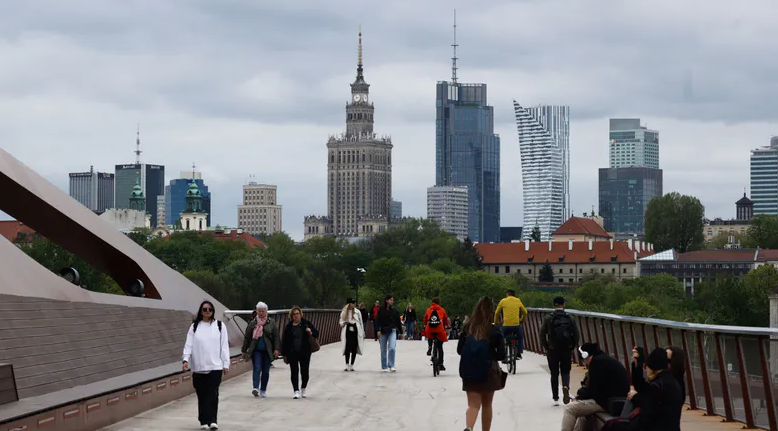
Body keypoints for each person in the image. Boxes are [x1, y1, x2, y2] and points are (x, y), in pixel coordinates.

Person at [457, 297, 506, 431]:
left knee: (473, 405)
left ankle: (469, 427)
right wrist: (490, 356)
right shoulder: (494, 330)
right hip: (488, 372)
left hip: (469, 370)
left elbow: (459, 350)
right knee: (487, 404)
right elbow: (502, 355)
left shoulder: (468, 327)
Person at [605, 348, 684, 431]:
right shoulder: (669, 381)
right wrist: (637, 366)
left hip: (655, 427)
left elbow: (646, 417)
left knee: (612, 425)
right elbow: (643, 389)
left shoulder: (658, 385)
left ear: (651, 367)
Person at [182, 301, 230, 430]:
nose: (207, 311)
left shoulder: (220, 326)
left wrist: (226, 364)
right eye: (205, 309)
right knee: (202, 395)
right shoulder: (194, 327)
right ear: (201, 311)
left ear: (213, 310)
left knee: (213, 394)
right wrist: (185, 359)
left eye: (210, 309)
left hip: (215, 366)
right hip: (198, 367)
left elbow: (224, 346)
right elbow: (189, 345)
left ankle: (213, 420)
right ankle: (203, 420)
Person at [560, 342, 630, 431]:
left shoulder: (596, 363)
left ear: (586, 355)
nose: (584, 362)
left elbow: (593, 390)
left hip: (608, 401)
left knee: (570, 409)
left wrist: (580, 395)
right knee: (581, 409)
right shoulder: (604, 359)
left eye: (583, 359)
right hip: (615, 399)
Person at [539, 296, 579, 405]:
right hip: (566, 349)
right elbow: (576, 335)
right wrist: (572, 347)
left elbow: (542, 334)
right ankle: (565, 386)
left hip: (553, 349)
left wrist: (546, 346)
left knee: (554, 373)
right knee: (566, 372)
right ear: (563, 305)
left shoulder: (548, 318)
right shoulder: (570, 318)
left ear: (554, 305)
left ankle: (555, 396)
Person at [240, 301, 280, 398]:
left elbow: (276, 337)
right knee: (257, 368)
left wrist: (277, 349)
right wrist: (244, 350)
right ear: (257, 312)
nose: (261, 313)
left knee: (266, 371)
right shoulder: (253, 323)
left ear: (266, 311)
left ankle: (263, 389)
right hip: (256, 350)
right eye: (259, 311)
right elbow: (247, 337)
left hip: (267, 350)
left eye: (263, 311)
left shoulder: (271, 323)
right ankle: (255, 388)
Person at [281, 307, 320, 399]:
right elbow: (285, 340)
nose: (296, 316)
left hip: (305, 352)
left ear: (300, 314)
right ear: (291, 316)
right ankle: (296, 390)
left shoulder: (306, 323)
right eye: (294, 314)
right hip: (292, 352)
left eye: (297, 313)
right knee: (294, 372)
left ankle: (303, 387)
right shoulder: (289, 326)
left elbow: (316, 333)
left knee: (304, 372)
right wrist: (284, 353)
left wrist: (310, 332)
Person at [494, 289, 528, 359]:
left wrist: (496, 322)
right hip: (516, 325)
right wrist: (521, 320)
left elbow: (496, 313)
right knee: (520, 336)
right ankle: (519, 352)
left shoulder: (503, 301)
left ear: (507, 294)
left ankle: (502, 354)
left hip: (506, 326)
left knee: (501, 337)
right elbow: (525, 312)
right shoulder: (518, 300)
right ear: (514, 295)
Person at [423, 297, 451, 371]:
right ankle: (441, 364)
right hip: (439, 330)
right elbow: (445, 319)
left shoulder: (428, 310)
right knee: (440, 347)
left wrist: (426, 324)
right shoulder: (442, 310)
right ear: (439, 303)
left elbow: (425, 319)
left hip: (430, 329)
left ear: (432, 302)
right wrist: (446, 325)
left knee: (429, 335)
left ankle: (429, 348)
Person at [376, 294, 401, 372]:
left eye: (392, 300)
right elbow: (377, 321)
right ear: (387, 300)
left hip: (392, 330)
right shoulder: (380, 310)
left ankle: (391, 365)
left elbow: (398, 321)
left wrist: (400, 331)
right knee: (383, 349)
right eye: (391, 300)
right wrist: (377, 330)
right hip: (383, 331)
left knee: (392, 348)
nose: (392, 301)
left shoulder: (394, 311)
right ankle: (384, 367)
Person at [340, 298, 365, 371]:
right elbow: (341, 321)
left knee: (354, 348)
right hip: (347, 329)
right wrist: (344, 322)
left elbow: (361, 322)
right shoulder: (344, 312)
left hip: (355, 330)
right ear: (348, 304)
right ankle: (347, 364)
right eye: (352, 303)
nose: (353, 304)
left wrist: (363, 332)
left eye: (354, 303)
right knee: (347, 347)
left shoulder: (357, 312)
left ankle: (352, 365)